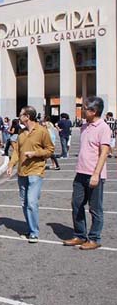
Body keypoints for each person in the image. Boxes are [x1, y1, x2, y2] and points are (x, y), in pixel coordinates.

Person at [63, 96, 112, 250]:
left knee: (95, 208)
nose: (82, 110)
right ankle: (80, 235)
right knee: (76, 204)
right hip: (81, 172)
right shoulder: (85, 126)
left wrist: (96, 174)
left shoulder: (103, 128)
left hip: (94, 173)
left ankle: (94, 238)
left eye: (84, 108)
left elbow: (104, 153)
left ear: (93, 111)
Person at [6, 106, 55, 244]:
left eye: (21, 114)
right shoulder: (21, 133)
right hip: (22, 171)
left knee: (32, 202)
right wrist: (11, 165)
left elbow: (50, 150)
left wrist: (35, 154)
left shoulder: (42, 131)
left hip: (36, 170)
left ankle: (34, 232)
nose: (19, 117)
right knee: (24, 202)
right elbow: (17, 151)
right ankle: (30, 228)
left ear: (27, 116)